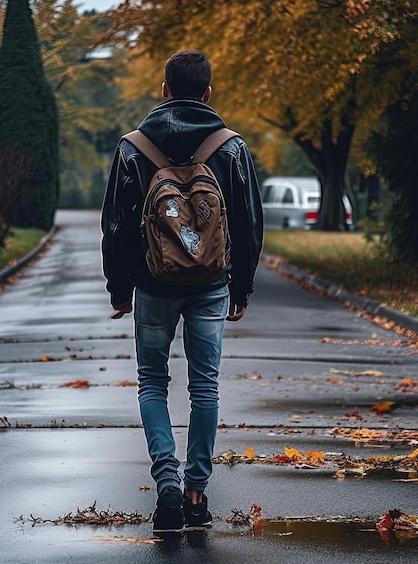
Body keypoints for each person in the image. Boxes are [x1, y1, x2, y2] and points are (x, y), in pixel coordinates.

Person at [101, 50, 263, 535]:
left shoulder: (133, 147)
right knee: (204, 385)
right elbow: (250, 222)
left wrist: (119, 288)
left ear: (164, 88)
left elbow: (115, 225)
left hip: (153, 283)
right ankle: (196, 491)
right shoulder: (231, 148)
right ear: (207, 93)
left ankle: (165, 477)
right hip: (211, 284)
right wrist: (242, 285)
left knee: (153, 382)